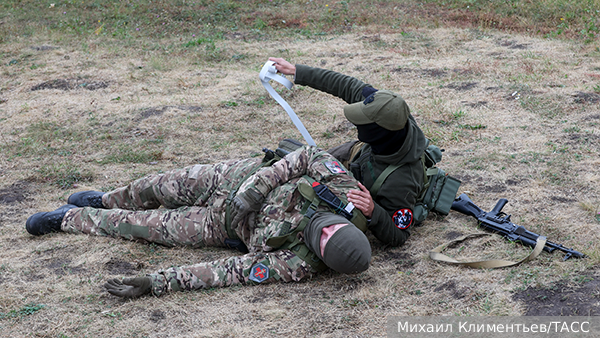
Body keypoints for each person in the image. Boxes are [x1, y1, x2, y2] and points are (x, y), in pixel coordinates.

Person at [25, 146, 372, 298]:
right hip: (235, 177)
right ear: (344, 224)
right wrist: (262, 182)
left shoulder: (297, 264)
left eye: (323, 242)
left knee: (141, 226)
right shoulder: (345, 194)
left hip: (218, 224)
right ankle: (102, 198)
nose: (322, 232)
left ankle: (68, 219)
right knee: (155, 186)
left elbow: (228, 271)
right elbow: (310, 154)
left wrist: (158, 282)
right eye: (330, 228)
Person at [269, 57, 429, 247]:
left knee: (305, 185)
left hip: (365, 187)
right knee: (301, 158)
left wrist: (373, 210)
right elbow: (346, 84)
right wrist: (297, 71)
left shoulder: (401, 182)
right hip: (361, 154)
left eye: (363, 120)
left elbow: (399, 235)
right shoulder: (388, 109)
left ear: (378, 132)